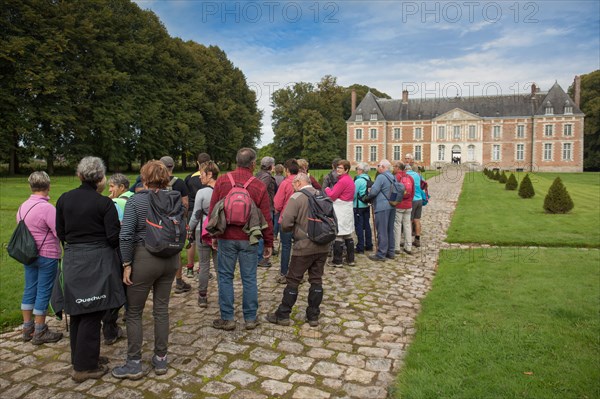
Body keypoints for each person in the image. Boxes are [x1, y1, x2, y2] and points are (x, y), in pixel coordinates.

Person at [56, 157, 125, 382]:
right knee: (92, 310)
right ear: (101, 179)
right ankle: (84, 367)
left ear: (79, 176)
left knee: (78, 309)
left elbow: (61, 232)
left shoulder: (64, 199)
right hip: (97, 258)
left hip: (74, 257)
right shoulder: (104, 204)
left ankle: (83, 358)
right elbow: (114, 237)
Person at [112, 160, 181, 379]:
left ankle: (134, 362)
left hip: (144, 257)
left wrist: (126, 263)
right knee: (161, 309)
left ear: (143, 178)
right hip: (170, 258)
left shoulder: (136, 201)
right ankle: (161, 359)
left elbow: (125, 235)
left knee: (134, 312)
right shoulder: (175, 199)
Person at [208, 148, 273, 331]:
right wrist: (268, 242)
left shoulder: (222, 181)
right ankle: (250, 318)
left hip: (226, 237)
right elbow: (266, 217)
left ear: (236, 161)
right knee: (249, 278)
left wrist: (214, 235)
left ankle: (227, 318)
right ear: (253, 164)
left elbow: (213, 211)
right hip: (249, 238)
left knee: (225, 277)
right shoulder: (259, 185)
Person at [265, 173, 328, 327]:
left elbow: (285, 223)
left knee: (293, 279)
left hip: (304, 245)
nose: (293, 188)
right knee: (316, 279)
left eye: (294, 185)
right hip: (323, 243)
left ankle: (283, 313)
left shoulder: (297, 198)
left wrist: (294, 228)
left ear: (299, 182)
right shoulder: (322, 195)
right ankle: (313, 315)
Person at [18, 171, 63, 345]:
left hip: (28, 254)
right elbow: (58, 231)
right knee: (44, 290)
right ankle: (40, 330)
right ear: (48, 185)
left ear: (31, 186)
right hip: (47, 254)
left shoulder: (23, 206)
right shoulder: (47, 208)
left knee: (30, 288)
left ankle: (27, 327)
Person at [188, 161, 219, 308]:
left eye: (202, 174)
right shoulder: (223, 190)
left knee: (204, 264)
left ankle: (202, 296)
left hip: (203, 230)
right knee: (220, 265)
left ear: (209, 174)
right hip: (220, 230)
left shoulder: (202, 192)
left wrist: (190, 230)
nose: (200, 178)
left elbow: (196, 215)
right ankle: (224, 294)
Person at [159, 156, 192, 293]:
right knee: (176, 250)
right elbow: (185, 204)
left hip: (157, 221)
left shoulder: (155, 182)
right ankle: (178, 281)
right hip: (175, 223)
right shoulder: (179, 183)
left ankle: (159, 281)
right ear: (172, 166)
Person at [363, 160, 397, 261]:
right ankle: (390, 251)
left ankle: (381, 253)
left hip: (382, 206)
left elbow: (374, 191)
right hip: (391, 205)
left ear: (382, 167)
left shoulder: (381, 177)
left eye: (378, 165)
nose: (377, 167)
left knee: (382, 230)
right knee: (390, 229)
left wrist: (368, 194)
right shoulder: (392, 176)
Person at [184, 153, 211, 276]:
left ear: (197, 162)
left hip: (191, 211)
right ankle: (202, 268)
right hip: (205, 211)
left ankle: (189, 268)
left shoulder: (189, 178)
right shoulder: (208, 178)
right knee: (203, 240)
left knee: (191, 241)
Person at [324, 160, 356, 267]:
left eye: (341, 168)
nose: (338, 169)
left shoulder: (342, 181)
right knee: (347, 234)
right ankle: (350, 259)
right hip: (347, 208)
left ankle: (337, 261)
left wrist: (328, 189)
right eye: (337, 167)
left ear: (346, 170)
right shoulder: (349, 179)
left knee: (339, 233)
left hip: (341, 209)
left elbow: (332, 196)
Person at [273, 159, 300, 283]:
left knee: (286, 246)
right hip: (301, 220)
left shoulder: (285, 183)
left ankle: (284, 273)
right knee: (300, 247)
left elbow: (277, 203)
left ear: (287, 170)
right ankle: (298, 273)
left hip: (287, 218)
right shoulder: (303, 181)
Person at [255, 156, 276, 268]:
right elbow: (260, 191)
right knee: (265, 231)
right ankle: (261, 258)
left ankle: (259, 256)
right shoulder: (266, 177)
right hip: (266, 207)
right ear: (271, 165)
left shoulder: (258, 174)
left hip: (261, 207)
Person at [393, 162, 415, 255]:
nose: (393, 168)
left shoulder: (397, 177)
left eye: (394, 166)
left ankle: (396, 247)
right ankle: (408, 247)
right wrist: (409, 201)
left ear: (398, 168)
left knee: (397, 225)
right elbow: (413, 191)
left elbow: (393, 191)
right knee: (407, 226)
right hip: (408, 205)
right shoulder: (410, 177)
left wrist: (393, 202)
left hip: (399, 205)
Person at [353, 162, 374, 254]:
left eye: (357, 169)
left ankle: (360, 247)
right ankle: (369, 244)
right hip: (366, 205)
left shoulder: (358, 181)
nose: (356, 171)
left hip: (358, 206)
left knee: (359, 226)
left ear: (361, 170)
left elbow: (353, 194)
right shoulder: (368, 178)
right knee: (367, 225)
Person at [405, 154, 424, 248]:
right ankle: (417, 240)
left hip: (412, 200)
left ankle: (407, 242)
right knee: (417, 220)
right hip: (419, 199)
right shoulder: (417, 175)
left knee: (409, 221)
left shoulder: (407, 175)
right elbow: (424, 183)